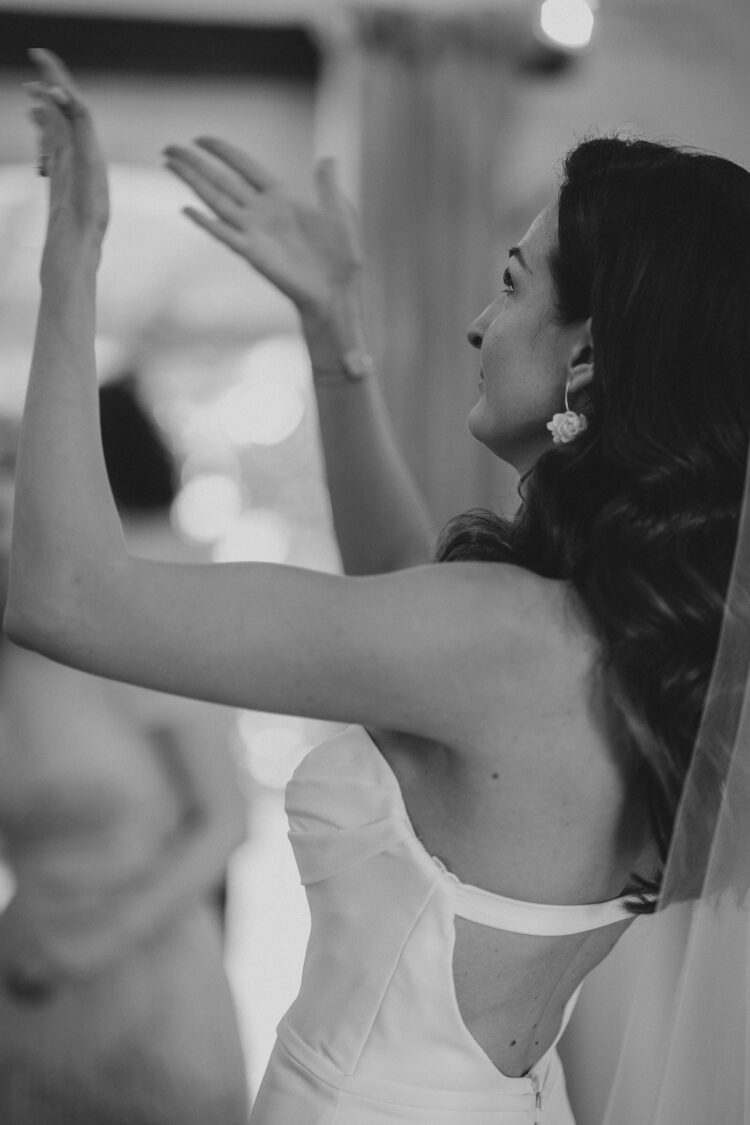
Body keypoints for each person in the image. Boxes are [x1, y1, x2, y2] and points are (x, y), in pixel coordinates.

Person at [10, 49, 750, 1125]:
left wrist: (68, 270)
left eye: (508, 285)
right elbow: (414, 586)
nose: (477, 326)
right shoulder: (632, 647)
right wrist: (332, 331)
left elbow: (63, 595)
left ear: (585, 363)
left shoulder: (500, 640)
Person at [0, 398, 249, 1124]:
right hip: (27, 987)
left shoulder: (128, 612)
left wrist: (89, 944)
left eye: (20, 471)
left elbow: (227, 819)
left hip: (151, 982)